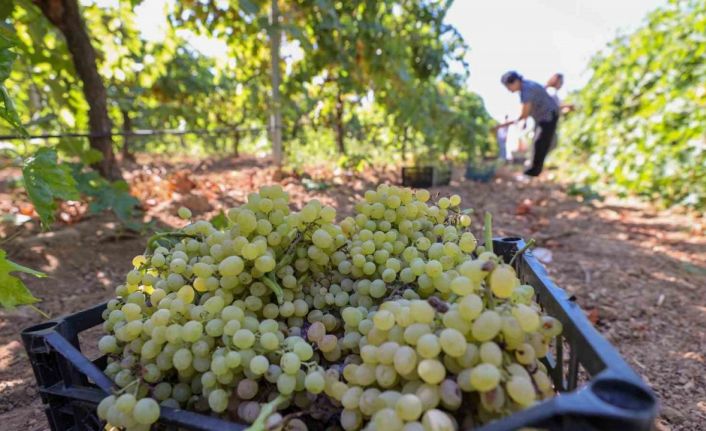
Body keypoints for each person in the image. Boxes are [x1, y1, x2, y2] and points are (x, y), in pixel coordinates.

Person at [496, 71, 559, 177]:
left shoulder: (526, 90)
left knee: (540, 142)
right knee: (538, 141)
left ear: (515, 81)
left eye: (508, 86)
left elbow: (524, 114)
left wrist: (509, 123)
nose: (508, 89)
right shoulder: (527, 86)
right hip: (542, 118)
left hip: (548, 116)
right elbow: (527, 112)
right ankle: (534, 170)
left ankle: (534, 171)